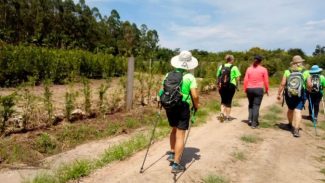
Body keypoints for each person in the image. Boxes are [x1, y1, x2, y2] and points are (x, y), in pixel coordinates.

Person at [159, 50, 199, 173]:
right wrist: (196, 106)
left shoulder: (168, 75)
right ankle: (176, 164)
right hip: (183, 106)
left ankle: (172, 153)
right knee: (180, 134)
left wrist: (160, 103)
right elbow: (195, 96)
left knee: (173, 129)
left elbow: (161, 91)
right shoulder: (189, 77)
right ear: (189, 64)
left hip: (169, 106)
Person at [277, 55, 312, 137]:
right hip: (301, 93)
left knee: (290, 109)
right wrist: (309, 90)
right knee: (298, 110)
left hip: (289, 94)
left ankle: (289, 124)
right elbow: (309, 84)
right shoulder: (306, 72)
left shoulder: (287, 71)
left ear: (293, 63)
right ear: (301, 62)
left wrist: (279, 94)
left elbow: (282, 84)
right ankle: (296, 129)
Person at [243, 55, 269, 129]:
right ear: (261, 61)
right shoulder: (264, 69)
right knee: (256, 106)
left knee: (251, 104)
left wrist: (245, 89)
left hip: (249, 89)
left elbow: (245, 80)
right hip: (259, 89)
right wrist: (267, 89)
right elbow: (266, 81)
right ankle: (254, 123)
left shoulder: (249, 69)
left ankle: (250, 120)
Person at [216, 54, 241, 122]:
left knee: (223, 100)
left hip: (222, 86)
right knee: (229, 101)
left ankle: (221, 113)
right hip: (231, 86)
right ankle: (227, 117)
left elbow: (218, 76)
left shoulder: (221, 66)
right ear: (232, 60)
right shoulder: (234, 67)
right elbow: (238, 78)